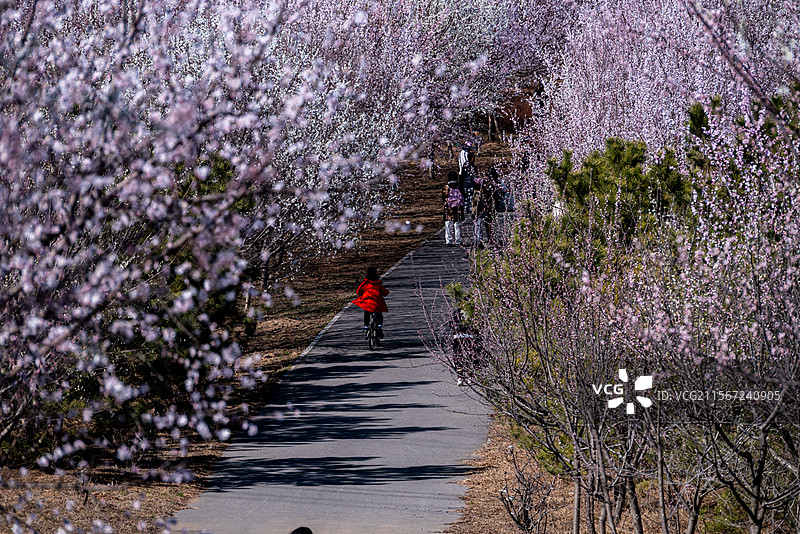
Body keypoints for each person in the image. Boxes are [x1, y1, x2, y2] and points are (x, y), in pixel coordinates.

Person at [352, 266, 389, 338]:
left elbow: (358, 292)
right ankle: (379, 326)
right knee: (379, 315)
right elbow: (384, 292)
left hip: (367, 303)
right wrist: (387, 292)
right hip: (376, 302)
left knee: (366, 313)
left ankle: (366, 327)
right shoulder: (378, 283)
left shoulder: (365, 283)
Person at [474, 166, 502, 248]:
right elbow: (502, 191)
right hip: (494, 203)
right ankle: (491, 237)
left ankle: (490, 236)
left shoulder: (486, 182)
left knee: (488, 221)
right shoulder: (496, 182)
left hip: (487, 203)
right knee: (491, 220)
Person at [443, 171, 464, 246]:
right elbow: (464, 195)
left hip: (449, 209)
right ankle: (458, 239)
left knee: (448, 224)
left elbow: (443, 197)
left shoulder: (446, 187)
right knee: (457, 224)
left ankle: (448, 240)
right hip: (458, 208)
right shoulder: (460, 186)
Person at [458, 147, 477, 214]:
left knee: (465, 197)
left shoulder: (464, 165)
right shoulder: (473, 167)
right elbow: (475, 176)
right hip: (471, 184)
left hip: (465, 184)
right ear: (472, 158)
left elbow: (462, 175)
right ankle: (470, 208)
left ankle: (465, 209)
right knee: (471, 197)